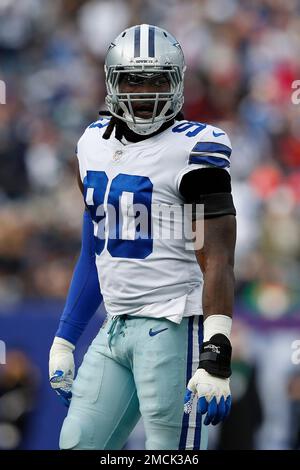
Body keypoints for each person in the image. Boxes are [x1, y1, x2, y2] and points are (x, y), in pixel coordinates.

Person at [49, 24, 236, 450]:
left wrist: (217, 346)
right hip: (116, 327)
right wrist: (64, 340)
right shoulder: (92, 143)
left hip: (174, 324)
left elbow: (220, 255)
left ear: (178, 82)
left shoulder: (195, 148)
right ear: (114, 82)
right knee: (78, 442)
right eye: (134, 78)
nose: (146, 91)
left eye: (158, 79)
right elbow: (95, 247)